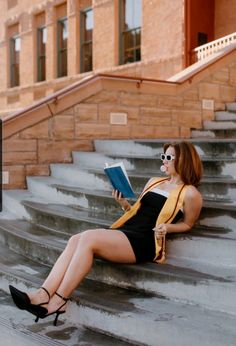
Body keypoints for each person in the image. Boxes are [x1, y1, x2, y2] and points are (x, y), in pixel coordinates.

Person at [9, 141, 203, 326]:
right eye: (163, 156)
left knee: (88, 237)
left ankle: (58, 300)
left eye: (169, 157)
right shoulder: (154, 182)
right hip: (129, 230)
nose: (164, 161)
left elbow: (187, 224)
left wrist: (168, 228)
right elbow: (139, 212)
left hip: (145, 241)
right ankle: (43, 294)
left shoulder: (190, 193)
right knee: (76, 238)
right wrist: (125, 205)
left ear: (183, 160)